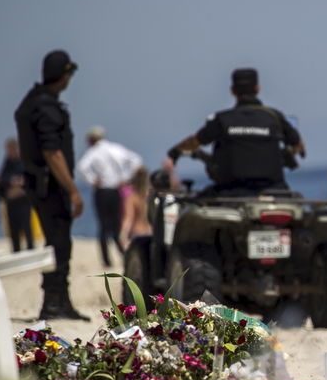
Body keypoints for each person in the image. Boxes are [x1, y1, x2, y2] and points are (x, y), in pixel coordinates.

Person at [14, 49, 89, 321]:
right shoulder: (46, 107)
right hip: (51, 187)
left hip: (39, 185)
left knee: (56, 243)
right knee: (58, 244)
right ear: (63, 76)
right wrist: (73, 190)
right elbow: (52, 152)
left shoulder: (32, 102)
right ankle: (54, 303)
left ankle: (59, 301)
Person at [167, 68, 305, 193]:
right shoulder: (275, 117)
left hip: (230, 191)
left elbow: (195, 142)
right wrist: (287, 155)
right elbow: (298, 144)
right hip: (274, 190)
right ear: (258, 89)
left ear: (232, 91)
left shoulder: (221, 119)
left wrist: (174, 152)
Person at [77, 126, 143, 266]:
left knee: (103, 226)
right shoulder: (115, 148)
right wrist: (126, 177)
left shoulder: (93, 151)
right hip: (117, 190)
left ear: (92, 139)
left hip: (103, 191)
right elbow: (136, 160)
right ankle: (123, 255)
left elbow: (82, 167)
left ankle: (106, 260)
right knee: (117, 224)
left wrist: (92, 180)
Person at [0, 137, 34, 252]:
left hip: (24, 199)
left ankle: (30, 248)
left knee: (26, 225)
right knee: (13, 228)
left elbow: (29, 178)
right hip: (11, 201)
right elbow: (2, 179)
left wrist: (19, 182)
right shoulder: (7, 162)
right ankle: (16, 250)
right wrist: (12, 181)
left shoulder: (23, 161)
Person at [119, 167, 152, 250]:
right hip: (151, 232)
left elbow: (129, 217)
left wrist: (123, 235)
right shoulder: (152, 197)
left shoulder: (132, 198)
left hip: (137, 233)